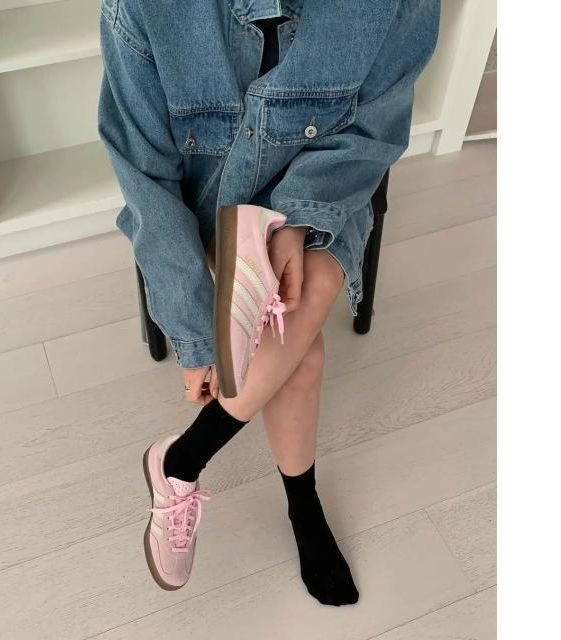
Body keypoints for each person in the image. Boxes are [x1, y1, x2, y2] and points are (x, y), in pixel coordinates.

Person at [98, 0, 439, 606]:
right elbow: (145, 179)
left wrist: (296, 222)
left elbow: (376, 126)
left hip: (331, 183)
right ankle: (296, 503)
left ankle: (183, 461)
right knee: (301, 357)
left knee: (306, 315)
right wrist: (194, 336)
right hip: (211, 192)